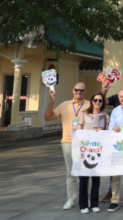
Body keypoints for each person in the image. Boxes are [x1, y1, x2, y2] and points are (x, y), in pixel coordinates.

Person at [44, 81, 90, 210]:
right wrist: (52, 100)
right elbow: (47, 117)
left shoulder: (89, 105)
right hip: (68, 142)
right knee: (71, 172)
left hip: (84, 143)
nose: (78, 92)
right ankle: (71, 199)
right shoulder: (65, 104)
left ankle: (85, 198)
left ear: (85, 91)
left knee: (85, 171)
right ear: (73, 90)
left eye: (81, 90)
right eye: (76, 90)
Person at [77, 93, 109, 214]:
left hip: (97, 151)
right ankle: (83, 204)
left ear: (103, 102)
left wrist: (103, 131)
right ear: (91, 101)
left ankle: (94, 203)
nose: (97, 102)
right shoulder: (84, 115)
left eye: (100, 100)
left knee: (96, 179)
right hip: (85, 151)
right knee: (83, 179)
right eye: (95, 100)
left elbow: (108, 133)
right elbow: (78, 131)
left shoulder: (105, 116)